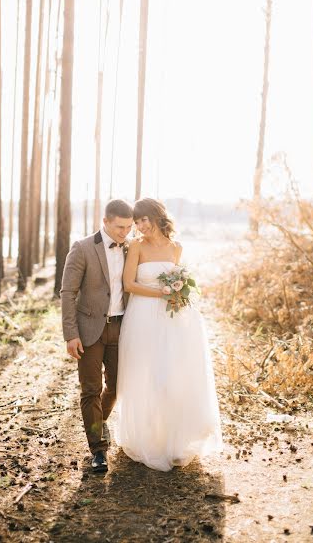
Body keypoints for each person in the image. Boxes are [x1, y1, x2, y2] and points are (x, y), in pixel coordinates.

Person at [115, 198, 223, 472]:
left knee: (172, 376)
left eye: (143, 220)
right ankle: (147, 438)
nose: (140, 226)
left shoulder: (176, 247)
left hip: (171, 319)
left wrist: (177, 294)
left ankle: (172, 439)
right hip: (142, 317)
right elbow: (129, 284)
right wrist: (161, 292)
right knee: (147, 376)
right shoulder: (136, 246)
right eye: (136, 222)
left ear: (156, 216)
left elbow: (178, 281)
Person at [60, 199, 133, 472]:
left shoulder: (130, 248)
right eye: (119, 227)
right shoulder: (82, 248)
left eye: (128, 227)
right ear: (105, 222)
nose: (125, 232)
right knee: (90, 390)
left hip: (122, 327)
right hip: (89, 330)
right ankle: (98, 450)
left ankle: (99, 422)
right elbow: (68, 293)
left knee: (116, 386)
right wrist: (71, 334)